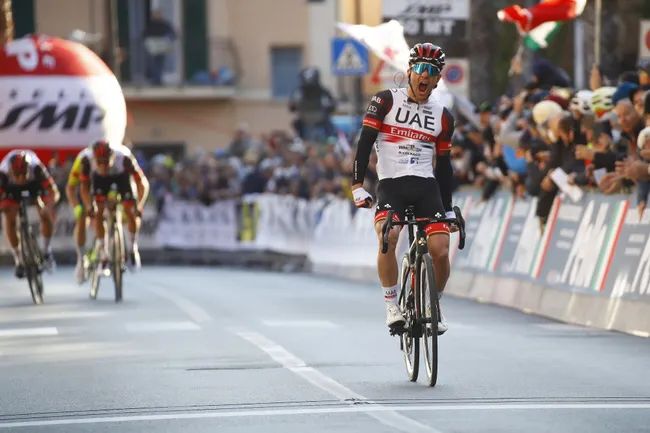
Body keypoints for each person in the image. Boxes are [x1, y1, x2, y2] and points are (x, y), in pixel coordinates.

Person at [350, 42, 456, 334]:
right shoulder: (385, 100)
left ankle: (434, 304)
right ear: (409, 72)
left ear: (437, 79)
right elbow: (364, 144)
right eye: (420, 69)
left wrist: (447, 208)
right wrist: (358, 185)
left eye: (432, 72)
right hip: (391, 185)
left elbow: (445, 168)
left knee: (441, 249)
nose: (425, 75)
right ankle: (392, 305)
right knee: (389, 235)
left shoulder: (443, 116)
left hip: (426, 186)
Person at [79, 140, 150, 271]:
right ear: (94, 158)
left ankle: (132, 248)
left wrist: (139, 205)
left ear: (113, 157)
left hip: (121, 177)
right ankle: (103, 253)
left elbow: (142, 183)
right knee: (98, 211)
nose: (103, 166)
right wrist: (89, 206)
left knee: (130, 210)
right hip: (99, 181)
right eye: (99, 162)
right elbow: (84, 188)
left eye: (106, 162)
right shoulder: (87, 161)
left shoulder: (124, 158)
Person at [0, 150, 60, 278]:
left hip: (33, 185)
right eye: (17, 174)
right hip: (11, 189)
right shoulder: (3, 173)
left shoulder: (37, 168)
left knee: (45, 213)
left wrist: (48, 207)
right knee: (9, 218)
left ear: (28, 169)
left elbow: (54, 193)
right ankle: (18, 259)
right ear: (11, 171)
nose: (21, 178)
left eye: (23, 173)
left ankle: (47, 251)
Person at [65, 145, 93, 284]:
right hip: (86, 187)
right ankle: (81, 259)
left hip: (107, 183)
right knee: (83, 217)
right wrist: (78, 207)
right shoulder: (82, 161)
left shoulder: (117, 160)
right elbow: (71, 187)